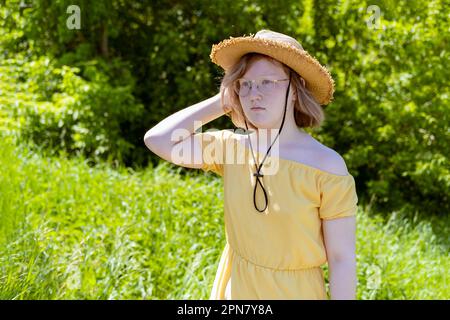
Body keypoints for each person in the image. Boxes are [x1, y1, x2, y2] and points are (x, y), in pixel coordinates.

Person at [144, 29, 358, 300]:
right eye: (245, 84)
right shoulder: (232, 148)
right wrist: (222, 103)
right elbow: (159, 140)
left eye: (267, 82)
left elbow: (341, 258)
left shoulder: (326, 166)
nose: (254, 94)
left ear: (295, 89)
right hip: (237, 290)